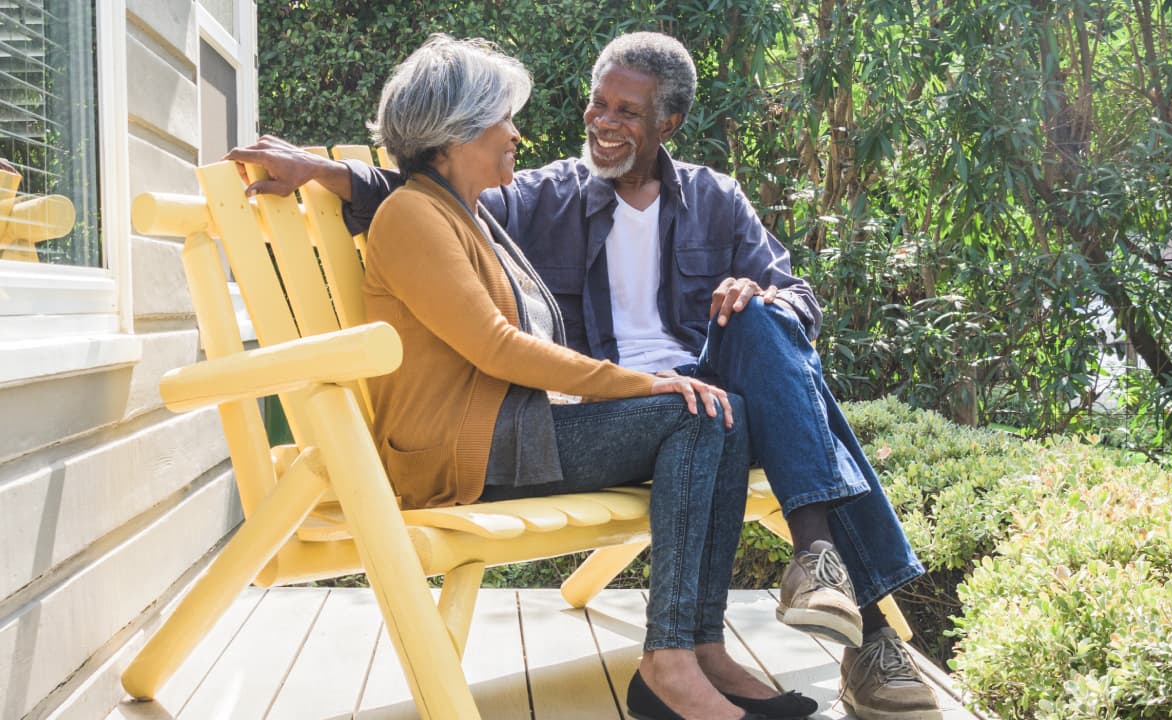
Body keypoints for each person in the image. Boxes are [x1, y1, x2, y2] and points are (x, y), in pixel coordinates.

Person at [228, 31, 941, 720]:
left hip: (668, 398)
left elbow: (799, 301)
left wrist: (760, 297)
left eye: (626, 111)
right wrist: (332, 172)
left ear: (671, 121)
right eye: (595, 104)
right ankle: (817, 631)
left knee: (761, 328)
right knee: (719, 409)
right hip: (576, 414)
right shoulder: (528, 199)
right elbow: (433, 213)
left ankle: (759, 599)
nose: (595, 123)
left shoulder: (714, 199)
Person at [332, 34, 818, 720]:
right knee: (692, 409)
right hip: (462, 451)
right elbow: (497, 348)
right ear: (456, 132)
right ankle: (670, 665)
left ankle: (698, 649)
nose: (517, 133)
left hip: (508, 431)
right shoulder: (415, 216)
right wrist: (639, 383)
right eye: (503, 118)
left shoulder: (467, 216)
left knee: (719, 410)